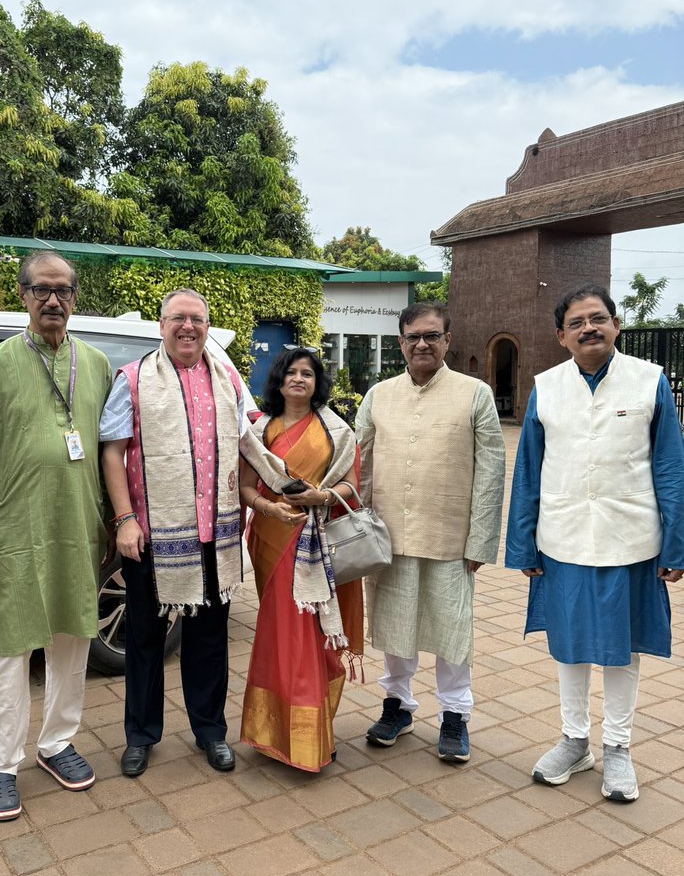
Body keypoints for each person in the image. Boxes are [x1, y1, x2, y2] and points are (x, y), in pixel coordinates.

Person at [506, 284, 684, 802]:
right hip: (562, 538)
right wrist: (523, 544)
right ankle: (574, 740)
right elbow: (528, 471)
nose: (590, 328)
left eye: (599, 318)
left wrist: (676, 543)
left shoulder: (648, 381)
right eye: (578, 322)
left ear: (616, 324)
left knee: (622, 648)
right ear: (561, 336)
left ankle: (620, 748)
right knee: (569, 644)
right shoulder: (546, 386)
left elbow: (670, 467)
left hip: (632, 537)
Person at [0, 252, 111, 820]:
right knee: (11, 650)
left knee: (72, 642)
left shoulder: (95, 364)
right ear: (22, 296)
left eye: (63, 291)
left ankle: (56, 743)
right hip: (14, 532)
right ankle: (0, 764)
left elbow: (111, 451)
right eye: (41, 290)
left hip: (77, 529)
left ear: (75, 298)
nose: (53, 301)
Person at [100, 288, 246, 777]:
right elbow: (112, 451)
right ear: (161, 326)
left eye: (197, 319)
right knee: (145, 638)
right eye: (178, 318)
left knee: (209, 637)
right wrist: (124, 519)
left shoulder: (227, 377)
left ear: (207, 326)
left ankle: (211, 732)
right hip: (153, 536)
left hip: (214, 533)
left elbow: (250, 439)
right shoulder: (135, 379)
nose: (188, 327)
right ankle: (140, 735)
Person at [356, 301, 505, 763]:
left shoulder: (475, 393)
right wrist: (355, 524)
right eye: (413, 336)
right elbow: (360, 462)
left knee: (451, 629)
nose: (422, 344)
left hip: (450, 538)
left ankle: (455, 716)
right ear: (400, 343)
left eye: (432, 336)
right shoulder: (379, 395)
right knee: (394, 624)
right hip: (388, 537)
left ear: (447, 340)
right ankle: (397, 706)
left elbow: (492, 471)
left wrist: (481, 539)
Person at [239, 347, 364, 771]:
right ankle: (272, 732)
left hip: (319, 544)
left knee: (314, 637)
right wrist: (270, 508)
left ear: (317, 382)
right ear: (278, 381)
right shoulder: (260, 431)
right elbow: (244, 487)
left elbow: (351, 486)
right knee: (279, 634)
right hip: (273, 541)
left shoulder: (336, 432)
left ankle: (311, 738)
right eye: (290, 372)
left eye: (307, 373)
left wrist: (323, 496)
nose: (298, 379)